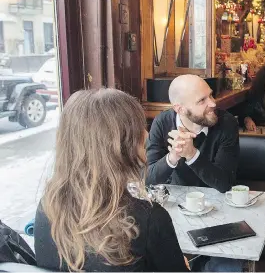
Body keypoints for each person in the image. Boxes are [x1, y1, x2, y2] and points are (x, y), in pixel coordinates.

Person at [34, 89, 189, 272]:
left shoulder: (48, 207)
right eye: (140, 128)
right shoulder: (149, 217)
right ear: (120, 145)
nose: (146, 135)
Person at [146, 74, 243, 272]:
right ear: (180, 109)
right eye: (202, 100)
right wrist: (173, 157)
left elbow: (224, 183)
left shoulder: (226, 123)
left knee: (229, 265)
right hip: (175, 210)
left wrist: (191, 155)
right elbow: (150, 179)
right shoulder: (162, 123)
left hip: (219, 207)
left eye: (211, 95)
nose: (213, 103)